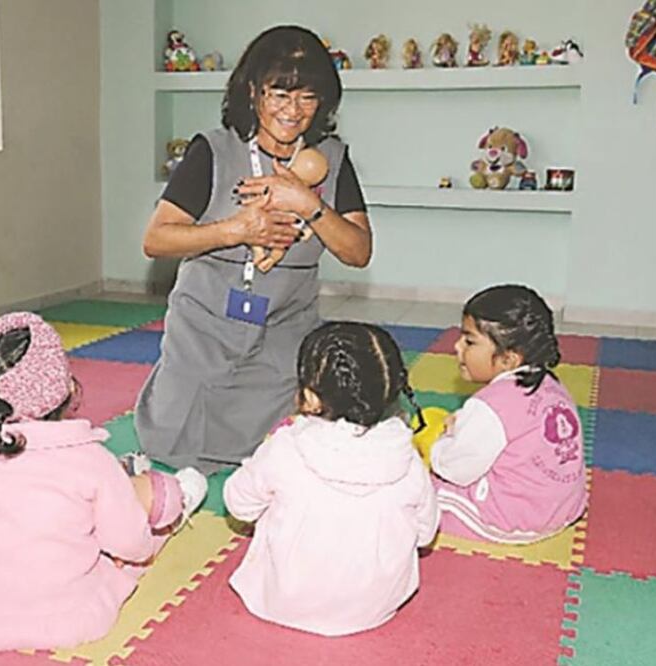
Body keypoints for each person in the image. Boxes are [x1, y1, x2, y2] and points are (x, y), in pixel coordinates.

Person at [137, 25, 373, 472]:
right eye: (279, 95)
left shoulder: (332, 159)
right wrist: (237, 229)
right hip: (204, 327)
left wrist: (309, 204)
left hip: (284, 331)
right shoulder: (212, 149)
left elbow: (358, 251)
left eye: (307, 97)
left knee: (283, 456)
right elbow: (156, 239)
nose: (293, 111)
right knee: (171, 446)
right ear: (252, 91)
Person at [0, 312, 207, 653]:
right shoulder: (89, 459)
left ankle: (135, 480)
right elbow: (129, 541)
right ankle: (182, 495)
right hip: (59, 608)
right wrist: (146, 544)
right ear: (62, 384)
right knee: (154, 506)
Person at [223, 322, 438, 636]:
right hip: (374, 607)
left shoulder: (287, 446)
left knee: (272, 494)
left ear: (310, 397)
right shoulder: (407, 457)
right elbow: (425, 533)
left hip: (281, 601)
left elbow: (238, 504)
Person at [430, 285, 588, 544]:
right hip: (563, 508)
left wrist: (438, 443)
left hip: (513, 519)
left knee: (419, 490)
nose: (457, 347)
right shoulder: (550, 383)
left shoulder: (488, 406)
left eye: (469, 341)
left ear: (509, 359)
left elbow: (454, 469)